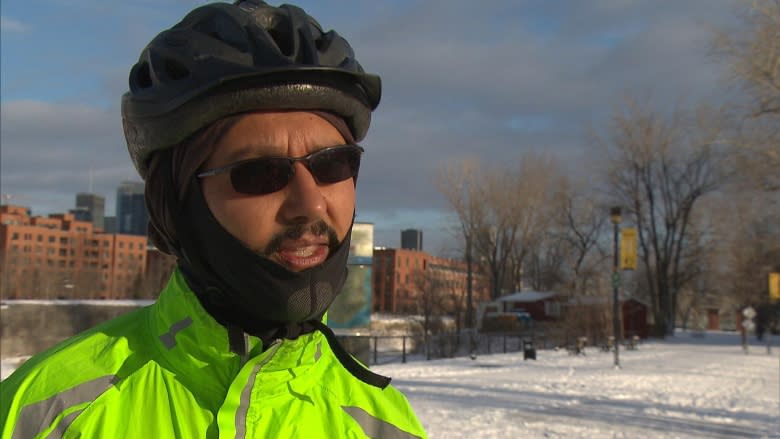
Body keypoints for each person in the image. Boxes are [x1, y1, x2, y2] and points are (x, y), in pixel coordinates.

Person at [0, 1, 427, 438]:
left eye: (333, 164)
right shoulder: (45, 415)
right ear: (179, 206)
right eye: (260, 173)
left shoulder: (385, 426)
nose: (311, 204)